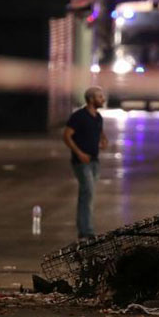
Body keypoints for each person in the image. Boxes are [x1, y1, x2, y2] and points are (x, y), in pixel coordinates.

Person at [63, 86, 108, 240]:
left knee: (88, 195)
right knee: (87, 193)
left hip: (95, 161)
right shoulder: (79, 117)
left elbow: (101, 133)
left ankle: (86, 229)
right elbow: (67, 136)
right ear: (91, 99)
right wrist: (79, 153)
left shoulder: (98, 117)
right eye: (100, 97)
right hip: (81, 162)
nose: (103, 100)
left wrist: (103, 140)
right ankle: (86, 231)